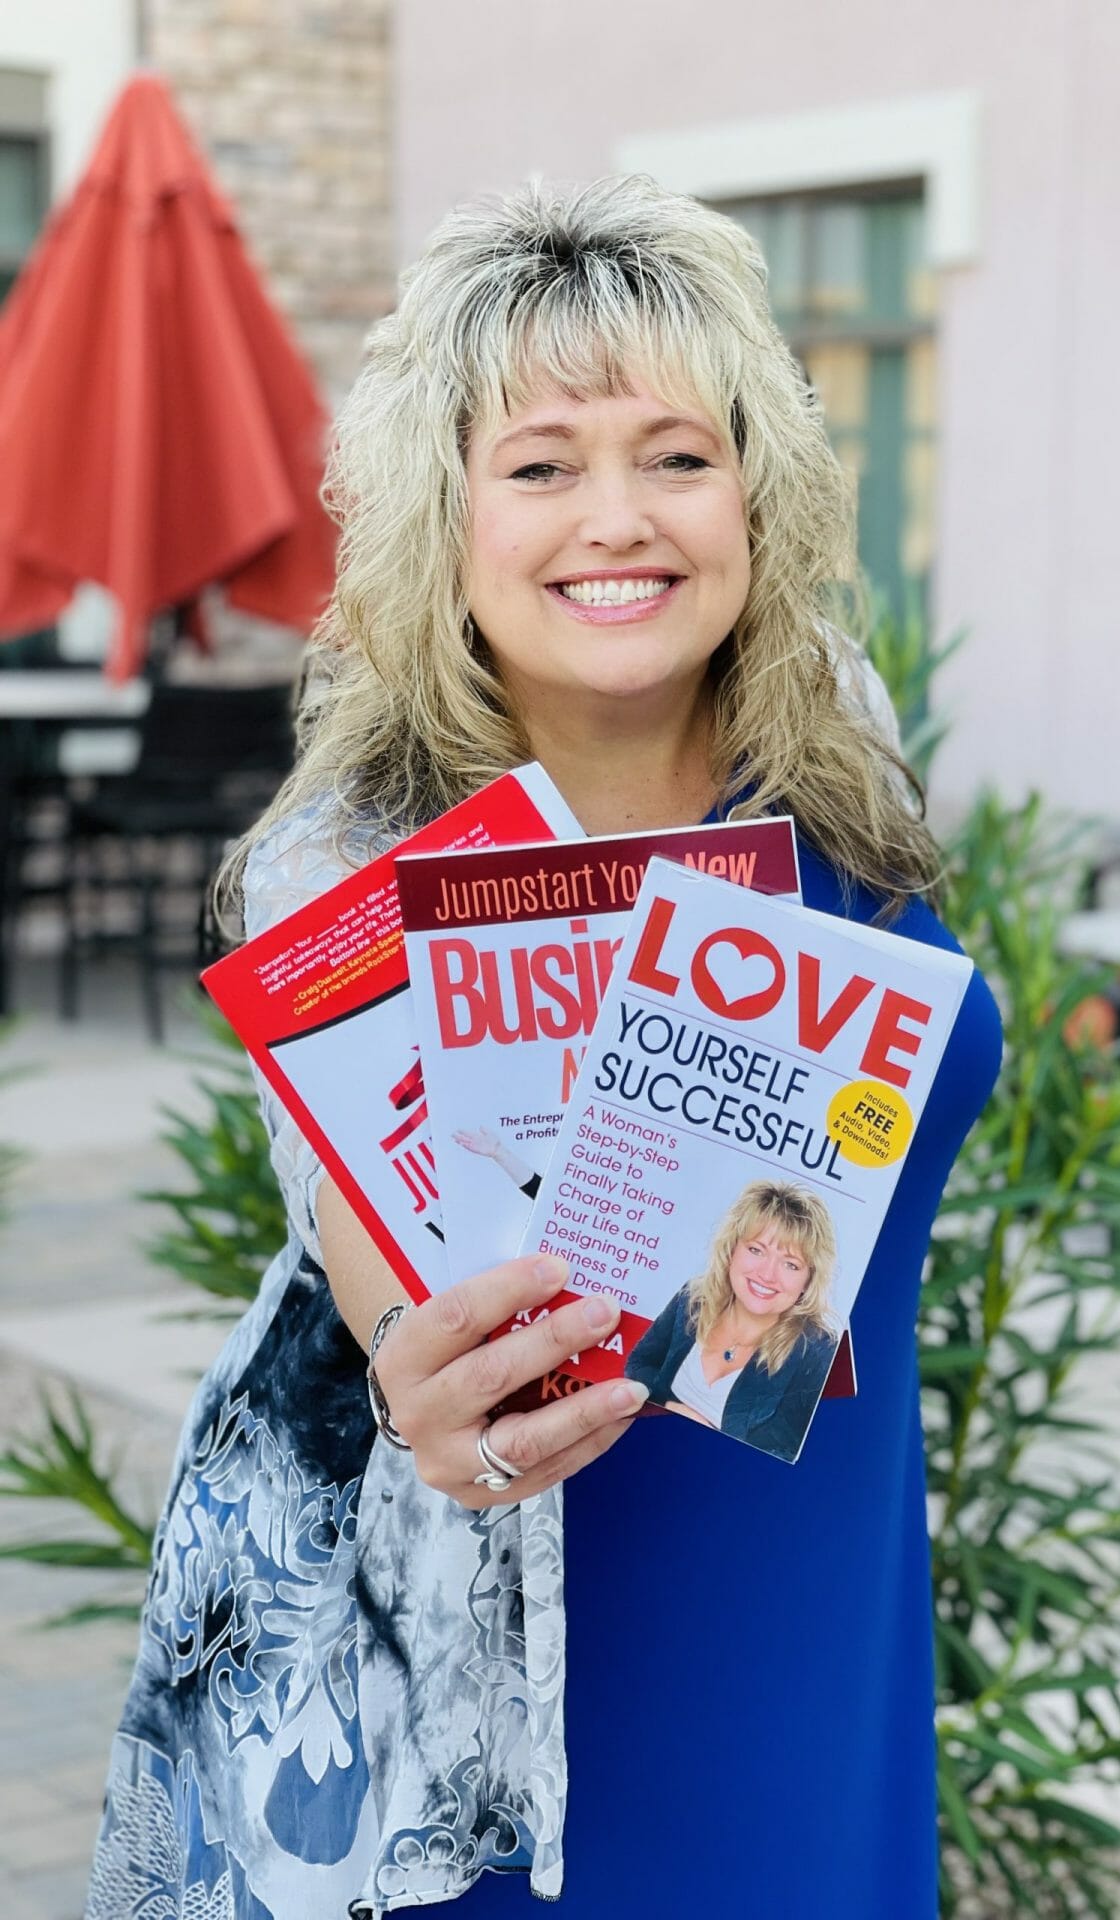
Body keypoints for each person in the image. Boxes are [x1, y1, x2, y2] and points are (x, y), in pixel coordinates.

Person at [85, 175, 1002, 1920]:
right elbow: (368, 1244)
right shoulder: (345, 858)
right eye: (541, 463)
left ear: (759, 486)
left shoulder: (836, 730)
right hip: (540, 1647)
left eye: (678, 452)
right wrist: (432, 1387)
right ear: (446, 515)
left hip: (823, 1568)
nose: (620, 518)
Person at [626, 1179, 839, 1461]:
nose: (767, 1274)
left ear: (808, 1279)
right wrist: (670, 1407)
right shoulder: (693, 1298)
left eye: (790, 1264)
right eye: (756, 1250)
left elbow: (797, 1452)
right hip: (645, 1453)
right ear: (732, 1250)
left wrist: (708, 1430)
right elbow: (640, 1364)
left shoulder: (817, 1351)